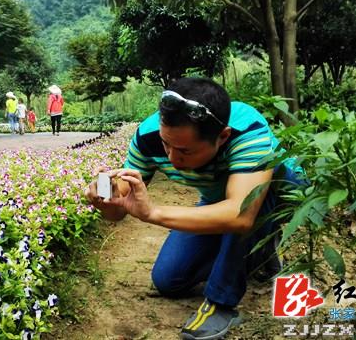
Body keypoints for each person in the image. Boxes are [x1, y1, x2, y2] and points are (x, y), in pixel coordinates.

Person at [84, 78, 305, 340]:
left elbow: (240, 214)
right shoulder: (148, 135)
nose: (172, 158)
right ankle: (260, 252)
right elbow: (117, 209)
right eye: (166, 144)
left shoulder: (246, 129)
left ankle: (222, 302)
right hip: (221, 201)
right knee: (169, 280)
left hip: (279, 194)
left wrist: (152, 213)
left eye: (184, 151)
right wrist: (105, 196)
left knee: (254, 202)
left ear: (222, 137)